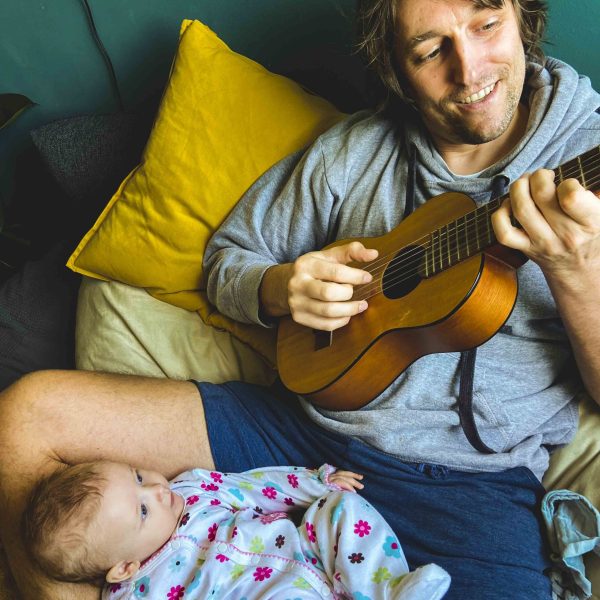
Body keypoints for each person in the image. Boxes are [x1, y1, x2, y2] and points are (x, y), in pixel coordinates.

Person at [0, 0, 598, 598]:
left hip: (473, 491)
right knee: (24, 417)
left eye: (487, 25)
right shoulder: (354, 150)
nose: (468, 71)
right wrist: (280, 287)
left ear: (523, 16)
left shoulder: (587, 158)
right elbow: (229, 258)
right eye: (429, 50)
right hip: (297, 437)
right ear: (395, 67)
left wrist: (577, 271)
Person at [22, 460, 450, 599]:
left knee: (338, 508)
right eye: (142, 512)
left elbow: (256, 487)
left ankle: (387, 589)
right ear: (124, 566)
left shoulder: (193, 489)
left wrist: (314, 482)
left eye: (137, 477)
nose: (155, 489)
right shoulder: (138, 592)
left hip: (312, 554)